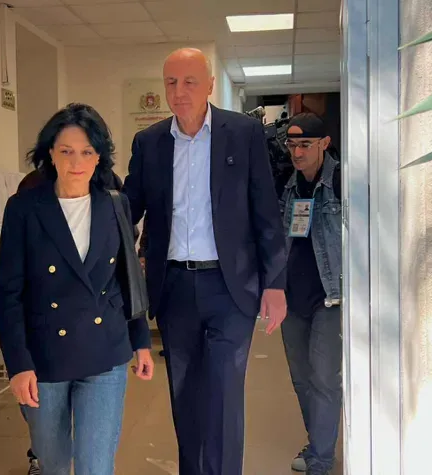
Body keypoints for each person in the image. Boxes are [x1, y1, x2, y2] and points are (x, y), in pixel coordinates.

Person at [122, 48, 287, 475]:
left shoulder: (243, 133)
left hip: (230, 288)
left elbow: (265, 210)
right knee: (186, 397)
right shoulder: (150, 142)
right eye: (171, 82)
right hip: (174, 287)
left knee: (224, 397)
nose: (179, 92)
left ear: (210, 85)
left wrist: (274, 283)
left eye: (189, 82)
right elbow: (127, 210)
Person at [0, 103, 155, 475]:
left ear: (99, 157)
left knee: (95, 466)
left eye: (86, 151)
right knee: (52, 464)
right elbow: (8, 294)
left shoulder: (115, 204)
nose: (76, 162)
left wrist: (141, 340)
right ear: (50, 153)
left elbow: (127, 278)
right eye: (66, 151)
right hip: (44, 358)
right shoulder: (24, 208)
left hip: (105, 351)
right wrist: (18, 365)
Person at [279, 113, 342, 475]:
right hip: (292, 298)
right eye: (292, 145)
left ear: (324, 144)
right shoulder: (288, 187)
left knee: (324, 379)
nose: (297, 153)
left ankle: (320, 459)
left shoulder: (340, 182)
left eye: (305, 144)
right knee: (301, 379)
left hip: (329, 298)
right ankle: (317, 442)